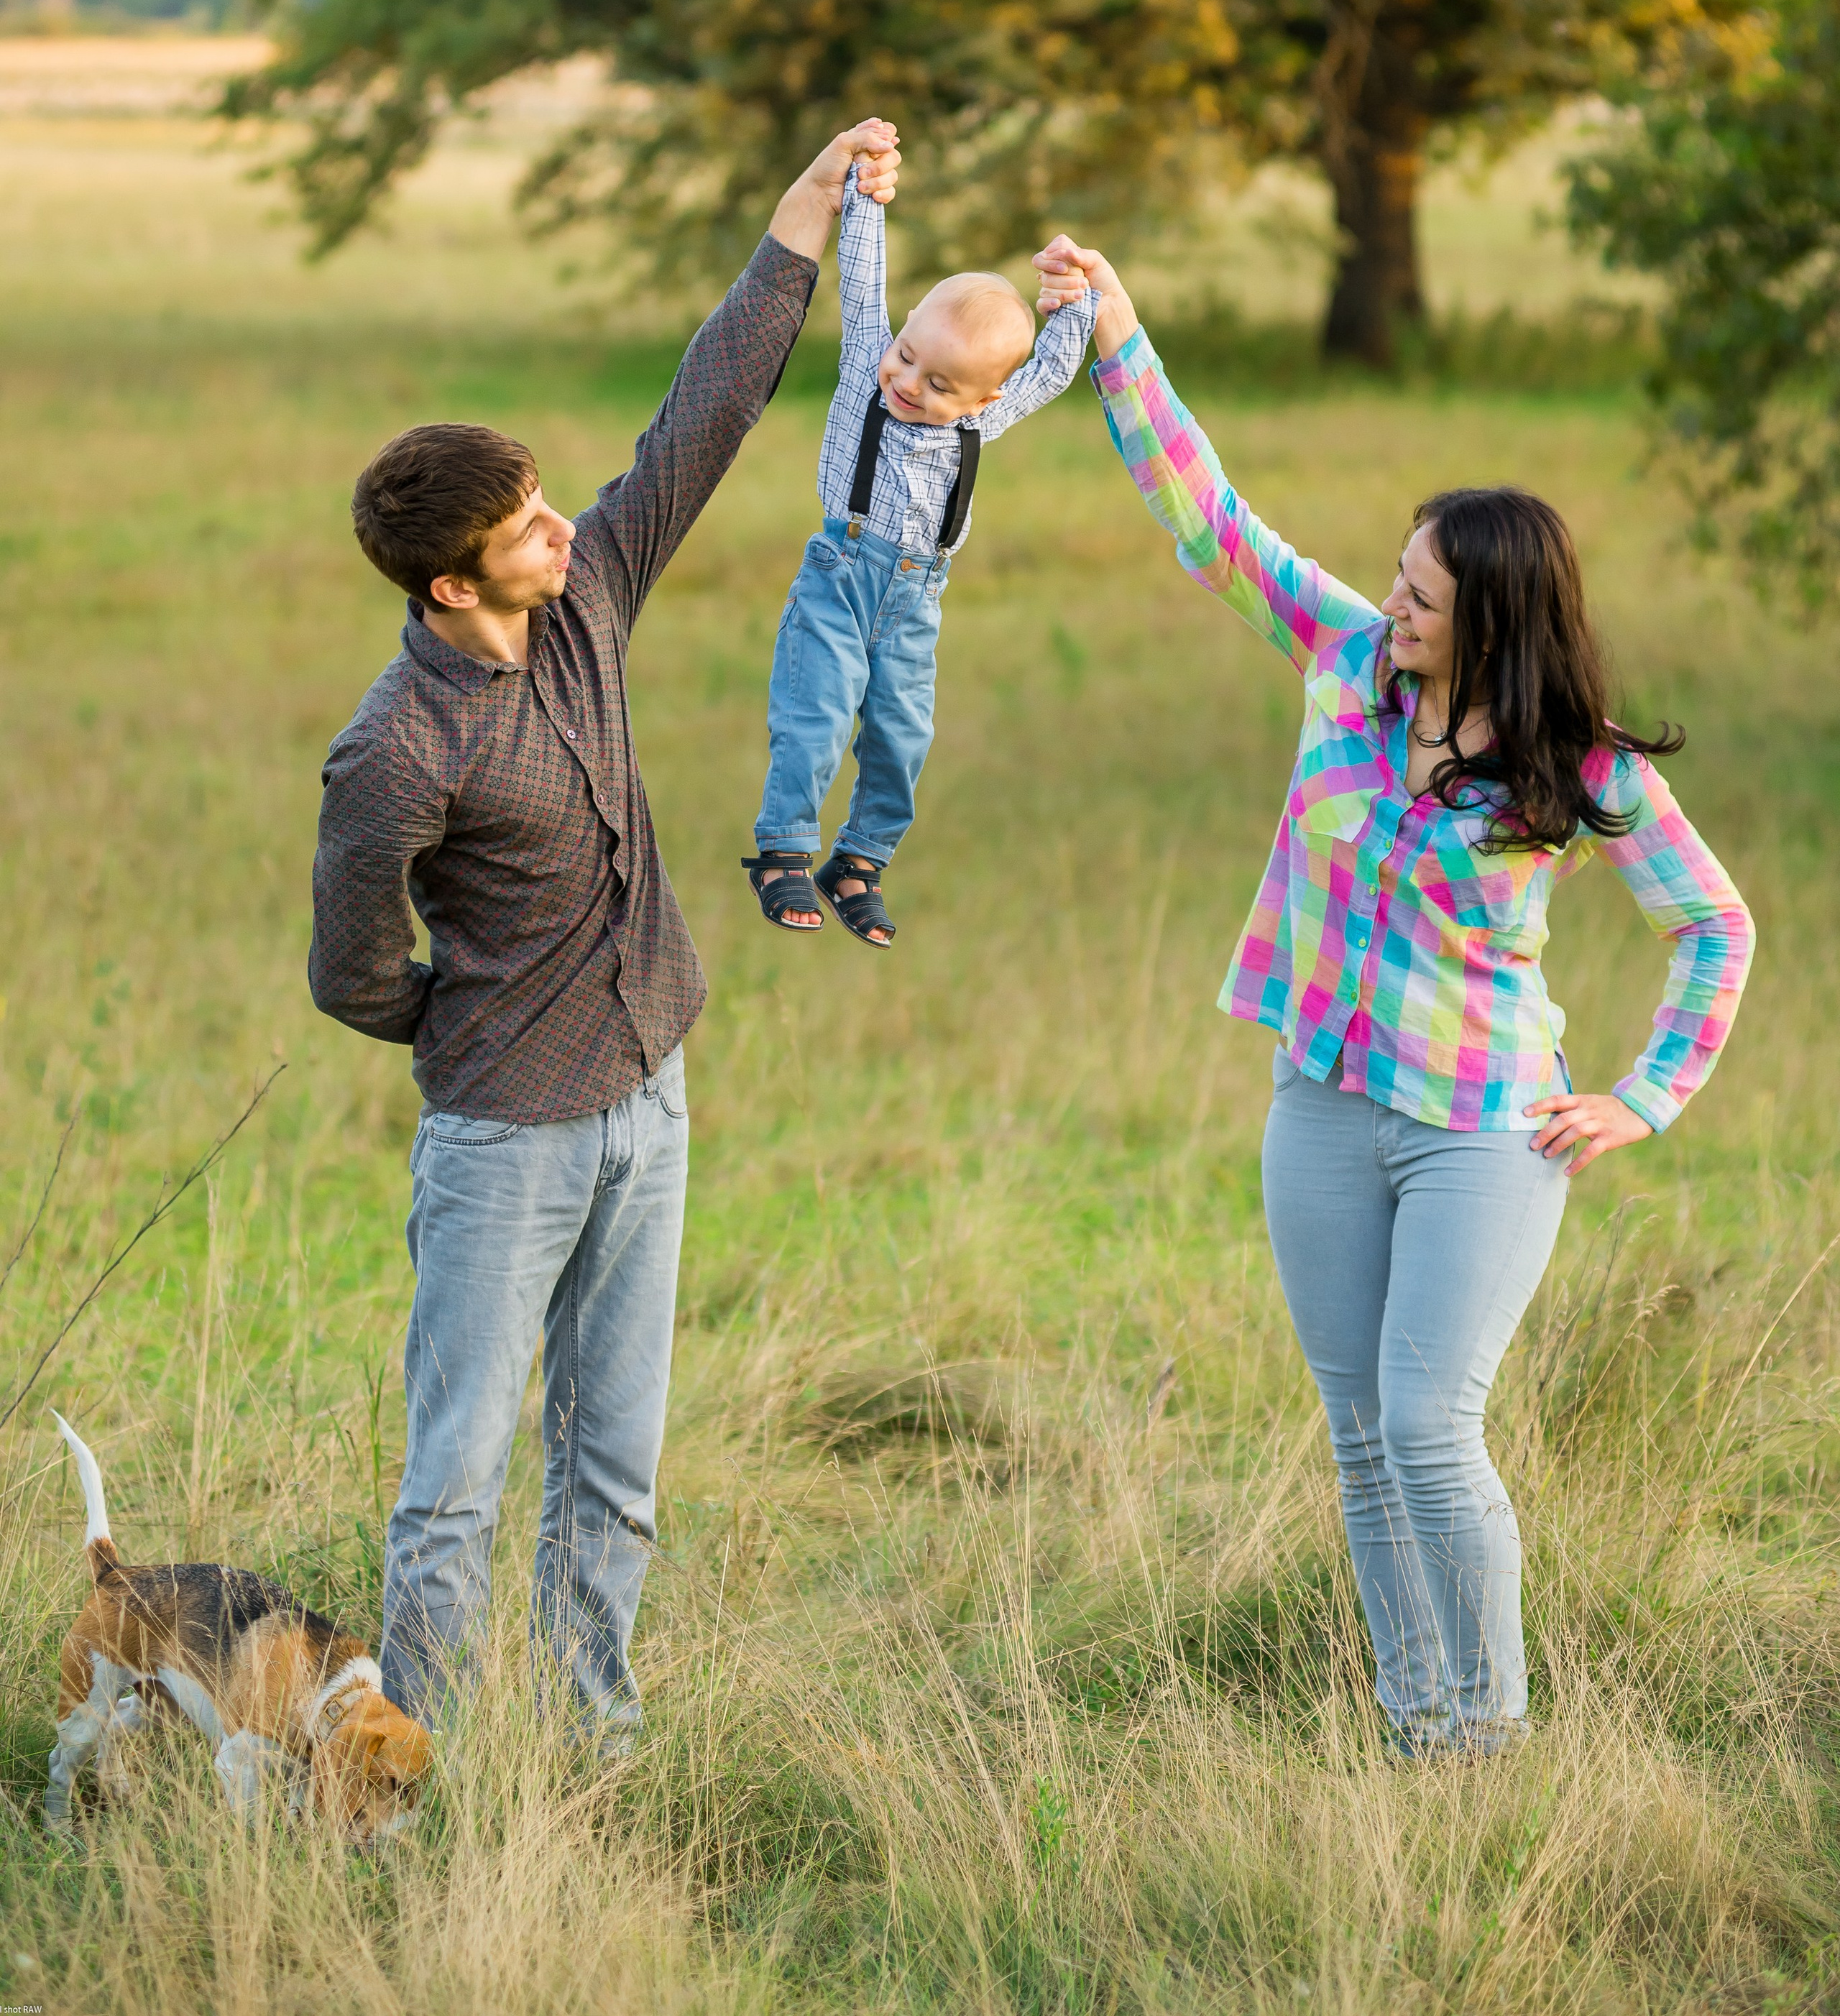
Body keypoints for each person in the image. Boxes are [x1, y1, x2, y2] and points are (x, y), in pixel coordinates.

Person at [1031, 231, 1755, 1757]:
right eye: (1398, 579)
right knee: (1360, 1443)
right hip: (1319, 1113)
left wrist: (1640, 1096)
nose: (1394, 604)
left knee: (1431, 1429)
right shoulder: (1340, 662)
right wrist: (1116, 332)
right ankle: (1414, 1722)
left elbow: (1712, 928)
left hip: (1481, 1133)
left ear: (1495, 614)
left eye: (1424, 594)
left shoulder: (1581, 769)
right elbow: (1207, 520)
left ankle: (1485, 1734)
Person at [307, 118, 902, 1743]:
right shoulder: (395, 750)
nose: (562, 526)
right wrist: (469, 1019)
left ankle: (596, 1744)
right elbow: (351, 966)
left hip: (652, 1094)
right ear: (448, 585)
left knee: (614, 1465)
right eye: (523, 525)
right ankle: (406, 1766)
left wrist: (805, 205)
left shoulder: (586, 603)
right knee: (456, 1482)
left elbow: (702, 415)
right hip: (505, 1133)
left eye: (549, 500)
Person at [743, 167, 1096, 947]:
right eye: (907, 356)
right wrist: (865, 190)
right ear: (900, 331)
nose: (906, 382)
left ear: (981, 401)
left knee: (904, 737)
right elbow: (863, 281)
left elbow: (1050, 372)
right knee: (817, 718)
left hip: (915, 598)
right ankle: (783, 853)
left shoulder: (981, 423)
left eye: (939, 384)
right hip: (840, 578)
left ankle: (859, 864)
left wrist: (1072, 296)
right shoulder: (867, 372)